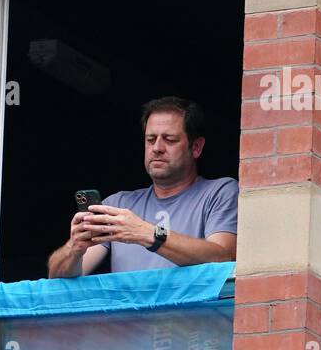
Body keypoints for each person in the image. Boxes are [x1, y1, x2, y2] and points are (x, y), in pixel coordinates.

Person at [48, 96, 238, 278]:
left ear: (196, 147)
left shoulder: (220, 191)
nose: (157, 148)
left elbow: (223, 256)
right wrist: (74, 248)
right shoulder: (117, 204)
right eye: (150, 139)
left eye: (169, 139)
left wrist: (148, 233)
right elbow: (56, 277)